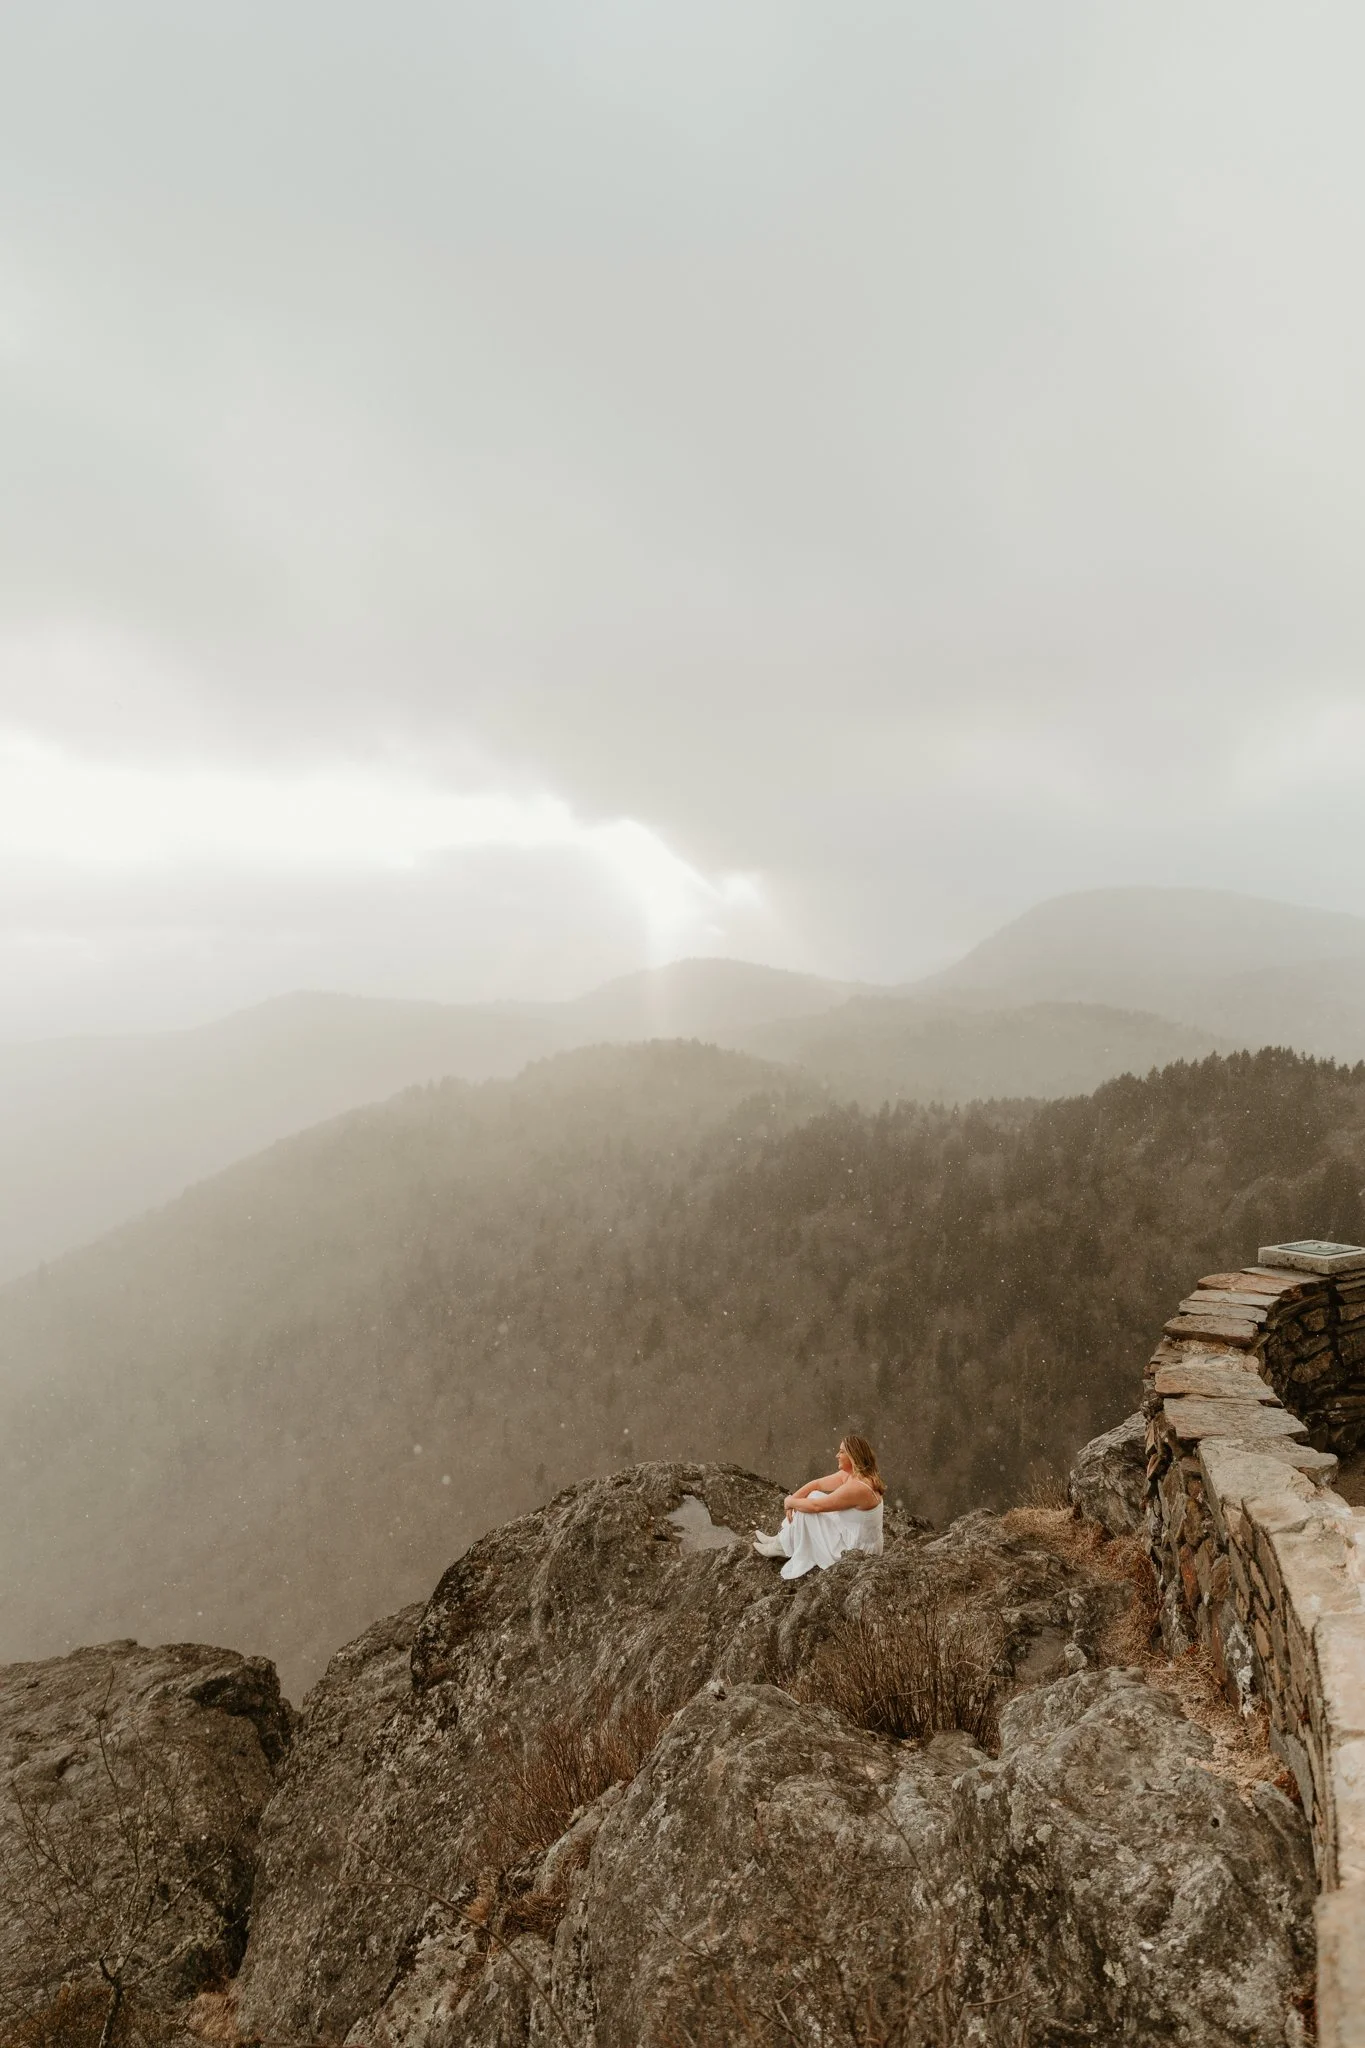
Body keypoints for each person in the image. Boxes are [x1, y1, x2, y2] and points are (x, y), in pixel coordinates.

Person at [752, 1435, 885, 1579]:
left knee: (806, 1511)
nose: (837, 1455)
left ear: (852, 1456)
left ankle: (780, 1547)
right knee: (813, 1495)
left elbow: (816, 1507)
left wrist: (790, 1502)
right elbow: (817, 1484)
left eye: (841, 1452)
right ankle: (780, 1540)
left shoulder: (858, 1487)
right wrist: (793, 1499)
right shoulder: (854, 1475)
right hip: (853, 1535)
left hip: (856, 1550)